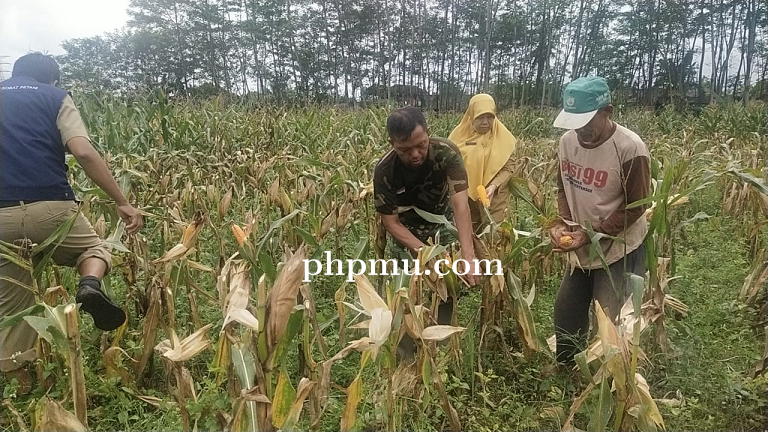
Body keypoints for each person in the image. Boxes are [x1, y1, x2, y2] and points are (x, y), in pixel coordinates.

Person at [0, 52, 143, 391]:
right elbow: (82, 151)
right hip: (52, 209)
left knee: (12, 303)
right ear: (51, 79)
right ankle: (90, 285)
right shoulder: (55, 97)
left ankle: (21, 387)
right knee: (94, 248)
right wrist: (121, 202)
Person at [549, 76, 650, 366]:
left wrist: (595, 233)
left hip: (619, 248)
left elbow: (635, 207)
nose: (580, 129)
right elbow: (564, 188)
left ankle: (610, 381)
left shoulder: (630, 149)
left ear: (608, 111)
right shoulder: (568, 142)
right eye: (574, 122)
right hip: (582, 246)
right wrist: (565, 225)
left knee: (610, 317)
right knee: (566, 310)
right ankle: (566, 370)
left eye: (586, 121)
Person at [373, 107, 479, 357]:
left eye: (420, 145)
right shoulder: (385, 171)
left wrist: (468, 254)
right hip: (405, 236)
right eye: (405, 149)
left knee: (446, 292)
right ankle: (406, 358)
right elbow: (391, 223)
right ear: (392, 143)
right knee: (403, 297)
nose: (415, 154)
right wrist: (426, 255)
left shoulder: (447, 153)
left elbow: (460, 205)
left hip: (442, 229)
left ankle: (441, 353)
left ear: (427, 133)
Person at [449, 94, 517, 232]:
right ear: (471, 115)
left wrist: (493, 186)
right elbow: (448, 168)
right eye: (480, 117)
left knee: (494, 236)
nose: (486, 122)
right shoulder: (458, 137)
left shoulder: (504, 138)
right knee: (468, 235)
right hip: (466, 198)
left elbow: (509, 167)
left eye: (490, 117)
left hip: (495, 198)